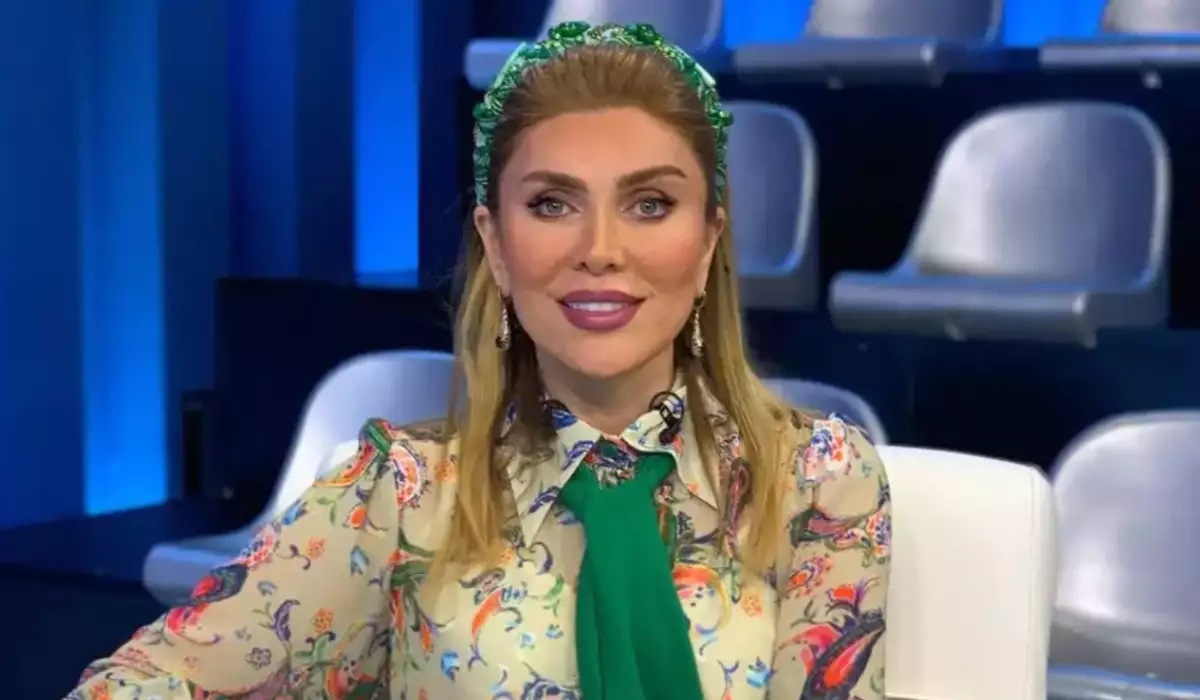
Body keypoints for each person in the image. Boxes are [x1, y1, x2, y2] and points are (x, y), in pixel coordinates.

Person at [69, 21, 890, 700]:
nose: (600, 249)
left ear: (709, 240)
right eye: (552, 204)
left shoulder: (819, 479)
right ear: (496, 244)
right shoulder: (397, 493)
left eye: (650, 204)